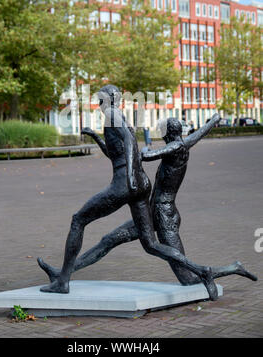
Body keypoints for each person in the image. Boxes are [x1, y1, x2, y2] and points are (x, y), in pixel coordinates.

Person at [38, 85, 219, 298]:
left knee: (78, 220)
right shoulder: (117, 116)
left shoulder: (112, 114)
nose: (98, 103)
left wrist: (131, 175)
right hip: (141, 185)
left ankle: (63, 281)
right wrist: (95, 137)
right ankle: (202, 271)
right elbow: (116, 153)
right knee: (150, 244)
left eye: (100, 99)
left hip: (126, 183)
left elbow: (126, 142)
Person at [39, 114, 257, 287]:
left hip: (164, 215)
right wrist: (214, 120)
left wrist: (142, 148)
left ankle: (229, 268)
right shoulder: (184, 143)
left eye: (162, 131)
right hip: (152, 210)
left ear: (168, 134)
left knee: (187, 278)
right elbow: (199, 134)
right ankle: (63, 273)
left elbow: (147, 155)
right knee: (109, 240)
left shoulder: (175, 147)